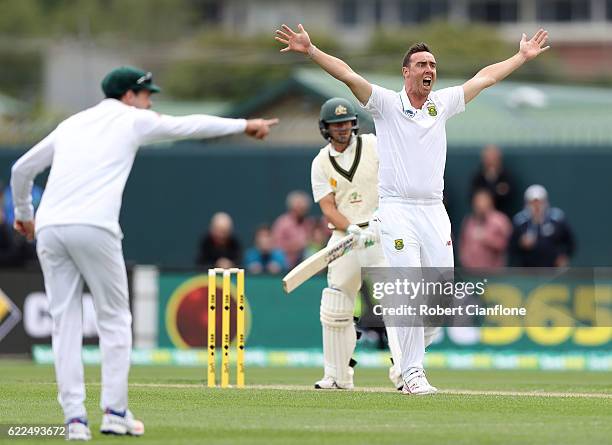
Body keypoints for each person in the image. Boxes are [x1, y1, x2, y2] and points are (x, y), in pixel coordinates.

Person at [275, 23, 549, 394]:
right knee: (407, 287)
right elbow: (347, 74)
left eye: (433, 65)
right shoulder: (386, 104)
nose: (429, 70)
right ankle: (411, 372)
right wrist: (311, 51)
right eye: (421, 65)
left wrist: (520, 56)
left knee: (438, 295)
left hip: (434, 210)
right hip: (397, 209)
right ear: (407, 72)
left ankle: (408, 361)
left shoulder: (442, 104)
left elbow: (484, 78)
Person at [10, 66, 278, 440]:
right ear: (129, 96)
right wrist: (244, 125)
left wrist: (24, 215)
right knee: (115, 319)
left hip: (51, 228)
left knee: (64, 324)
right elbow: (190, 126)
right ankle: (115, 412)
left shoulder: (71, 124)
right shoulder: (131, 120)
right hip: (94, 226)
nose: (150, 101)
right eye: (147, 94)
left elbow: (22, 170)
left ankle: (74, 420)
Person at [310, 97, 403, 390]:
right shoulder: (320, 162)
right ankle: (337, 376)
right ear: (326, 128)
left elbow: (394, 179)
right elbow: (327, 206)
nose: (343, 129)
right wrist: (350, 227)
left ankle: (406, 375)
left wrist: (380, 217)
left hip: (380, 232)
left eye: (347, 123)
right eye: (336, 124)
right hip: (345, 238)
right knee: (336, 305)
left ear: (354, 124)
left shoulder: (373, 145)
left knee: (396, 304)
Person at [510, 184, 575, 267]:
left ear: (546, 202)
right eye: (533, 203)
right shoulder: (519, 221)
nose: (537, 206)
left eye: (540, 202)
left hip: (553, 269)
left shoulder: (557, 219)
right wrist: (521, 243)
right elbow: (511, 247)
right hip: (527, 270)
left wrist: (564, 257)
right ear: (526, 204)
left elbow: (570, 243)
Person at [459, 188, 512, 269]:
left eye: (483, 200)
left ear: (490, 201)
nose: (480, 204)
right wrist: (465, 261)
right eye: (477, 201)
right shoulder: (469, 221)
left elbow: (506, 244)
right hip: (471, 272)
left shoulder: (500, 220)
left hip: (494, 273)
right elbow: (463, 244)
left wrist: (486, 238)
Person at [271, 190, 315, 268]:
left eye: (303, 208)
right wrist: (297, 245)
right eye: (298, 207)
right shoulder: (282, 222)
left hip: (304, 260)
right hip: (285, 261)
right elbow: (276, 245)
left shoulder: (310, 223)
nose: (301, 210)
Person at [470, 144, 514, 216]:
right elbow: (473, 195)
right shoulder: (478, 177)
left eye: (494, 158)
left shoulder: (506, 177)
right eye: (488, 158)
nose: (491, 161)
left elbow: (508, 194)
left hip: (502, 215)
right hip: (479, 218)